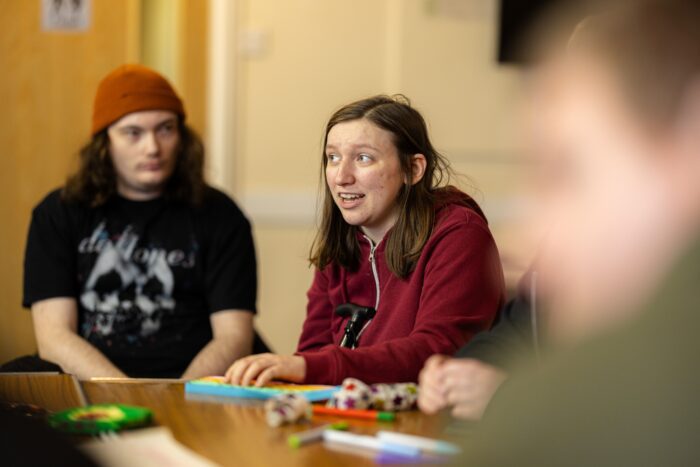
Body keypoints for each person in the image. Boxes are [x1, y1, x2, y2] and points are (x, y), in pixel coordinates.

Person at [459, 0, 700, 464]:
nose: (529, 235)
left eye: (564, 171)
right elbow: (515, 327)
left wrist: (512, 396)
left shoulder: (564, 419)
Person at [226, 95, 505, 386]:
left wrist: (315, 366)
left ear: (413, 169)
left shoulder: (460, 234)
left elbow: (437, 352)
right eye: (333, 158)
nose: (341, 177)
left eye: (363, 158)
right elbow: (312, 353)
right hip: (351, 420)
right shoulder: (342, 243)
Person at [23, 64, 257, 379]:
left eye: (165, 129)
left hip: (194, 386)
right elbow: (54, 338)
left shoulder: (221, 214)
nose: (153, 148)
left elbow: (234, 337)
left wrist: (179, 402)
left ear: (181, 136)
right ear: (105, 143)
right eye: (133, 132)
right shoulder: (58, 212)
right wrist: (127, 400)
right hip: (90, 383)